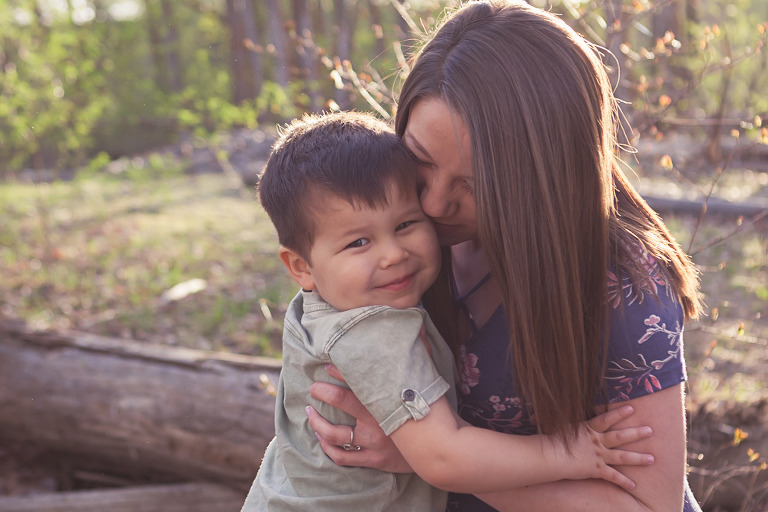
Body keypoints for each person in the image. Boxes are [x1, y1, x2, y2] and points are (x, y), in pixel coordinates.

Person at [305, 2, 704, 511]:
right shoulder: (391, 240)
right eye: (421, 163)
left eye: (474, 186)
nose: (432, 204)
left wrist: (427, 459)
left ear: (546, 180)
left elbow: (649, 507)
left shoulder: (624, 286)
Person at [242, 111, 656, 512]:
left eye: (405, 224)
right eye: (358, 243)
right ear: (301, 266)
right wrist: (572, 452)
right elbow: (444, 458)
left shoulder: (327, 302)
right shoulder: (373, 333)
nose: (393, 254)